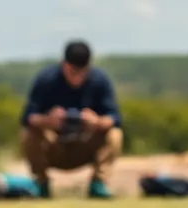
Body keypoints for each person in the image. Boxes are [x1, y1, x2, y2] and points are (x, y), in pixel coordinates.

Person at [20, 39, 123, 198]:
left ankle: (98, 183)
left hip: (85, 143)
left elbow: (115, 118)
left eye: (82, 72)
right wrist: (48, 120)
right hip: (54, 145)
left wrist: (96, 122)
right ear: (63, 64)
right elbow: (27, 118)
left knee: (114, 134)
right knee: (29, 133)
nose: (78, 77)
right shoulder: (46, 80)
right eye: (73, 72)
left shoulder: (99, 81)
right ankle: (41, 183)